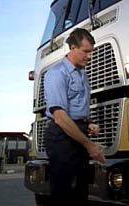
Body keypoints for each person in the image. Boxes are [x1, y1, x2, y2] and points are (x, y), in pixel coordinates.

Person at [44, 28, 106, 206]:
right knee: (63, 193)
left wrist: (89, 123)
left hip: (78, 133)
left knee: (80, 191)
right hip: (62, 137)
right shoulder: (57, 74)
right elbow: (61, 117)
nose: (89, 56)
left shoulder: (82, 73)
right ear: (72, 48)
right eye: (86, 51)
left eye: (91, 52)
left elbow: (77, 107)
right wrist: (90, 145)